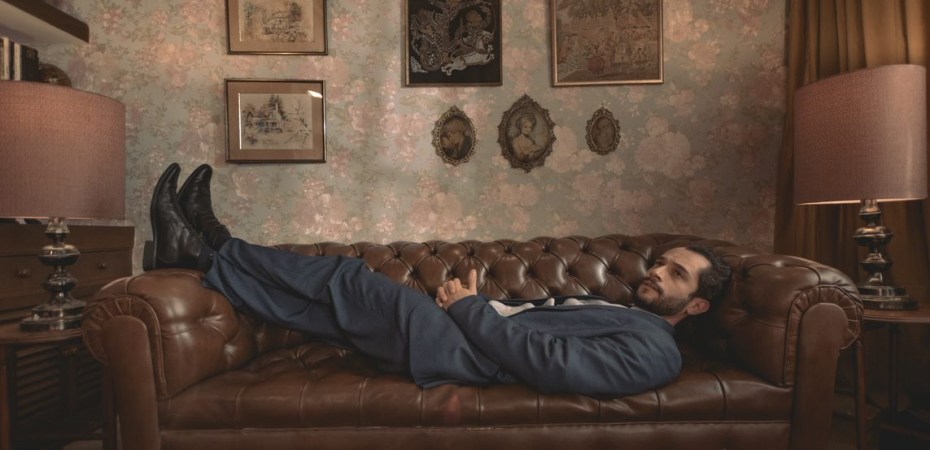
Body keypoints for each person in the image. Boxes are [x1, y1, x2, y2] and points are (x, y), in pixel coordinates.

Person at [148, 163, 731, 398]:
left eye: (676, 274)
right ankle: (205, 253)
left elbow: (552, 363)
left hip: (463, 351)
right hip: (463, 332)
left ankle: (213, 245)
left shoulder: (656, 352)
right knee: (319, 314)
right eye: (662, 263)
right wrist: (471, 309)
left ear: (698, 306)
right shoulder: (627, 313)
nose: (656, 272)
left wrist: (469, 308)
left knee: (349, 278)